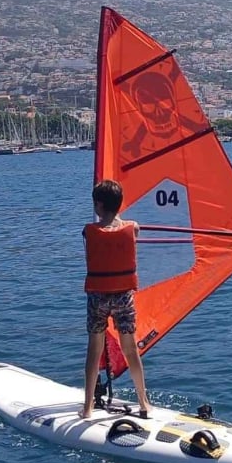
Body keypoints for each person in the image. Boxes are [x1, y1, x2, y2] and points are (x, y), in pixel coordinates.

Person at [80, 179, 151, 419]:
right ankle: (143, 403)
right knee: (130, 349)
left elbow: (95, 236)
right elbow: (129, 230)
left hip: (98, 298)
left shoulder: (88, 231)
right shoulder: (133, 227)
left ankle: (88, 408)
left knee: (94, 350)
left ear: (98, 205)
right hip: (123, 297)